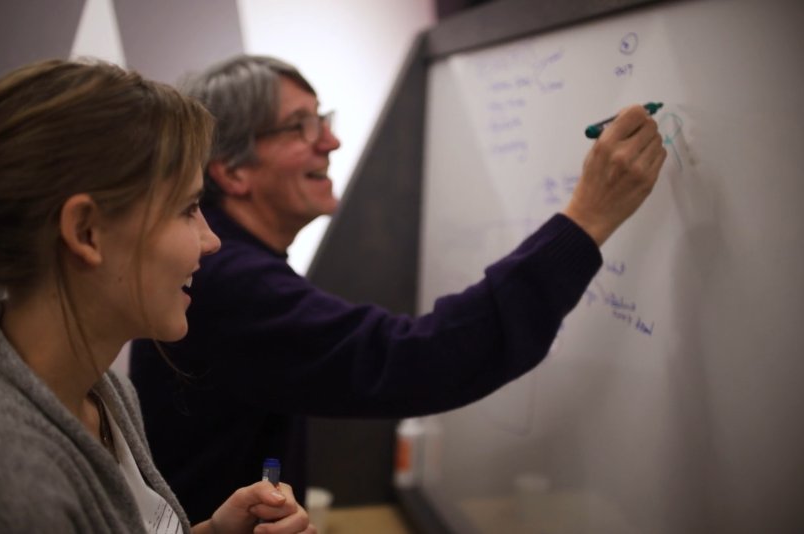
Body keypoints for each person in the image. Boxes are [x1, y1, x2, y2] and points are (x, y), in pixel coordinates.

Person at [129, 54, 667, 522]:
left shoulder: (231, 268)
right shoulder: (230, 280)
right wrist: (586, 220)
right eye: (300, 127)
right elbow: (417, 359)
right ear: (233, 172)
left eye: (323, 120)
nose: (332, 141)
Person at [0, 58, 313, 534]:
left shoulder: (100, 393)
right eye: (188, 208)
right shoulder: (4, 487)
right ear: (86, 232)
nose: (211, 241)